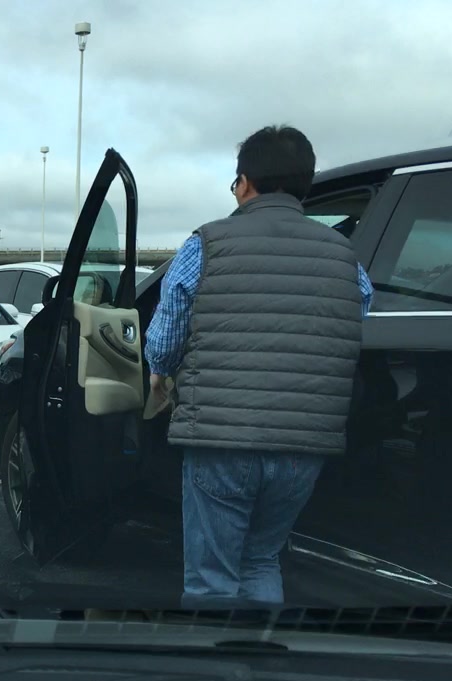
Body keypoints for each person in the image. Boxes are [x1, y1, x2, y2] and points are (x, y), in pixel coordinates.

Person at [144, 125, 374, 609]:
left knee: (211, 577)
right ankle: (261, 654)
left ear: (245, 183)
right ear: (304, 186)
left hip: (221, 436)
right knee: (262, 559)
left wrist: (160, 371)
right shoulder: (344, 256)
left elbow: (166, 332)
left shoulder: (207, 244)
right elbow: (357, 313)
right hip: (304, 443)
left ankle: (212, 659)